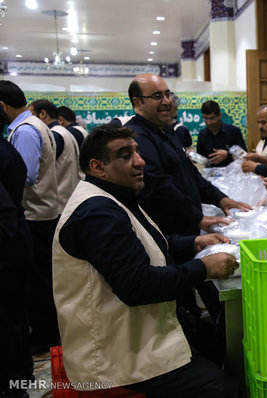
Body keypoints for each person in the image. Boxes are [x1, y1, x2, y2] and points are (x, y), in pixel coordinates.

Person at [52, 125, 239, 397]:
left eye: (137, 152)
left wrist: (194, 242)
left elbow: (143, 247)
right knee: (226, 390)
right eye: (125, 156)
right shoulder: (97, 213)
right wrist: (204, 268)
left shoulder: (116, 197)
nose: (140, 161)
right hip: (119, 356)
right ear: (98, 166)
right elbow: (137, 284)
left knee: (218, 344)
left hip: (139, 333)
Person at [124, 73, 250, 237]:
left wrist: (221, 199)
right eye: (157, 96)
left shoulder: (167, 132)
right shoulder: (137, 137)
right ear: (138, 102)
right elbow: (158, 187)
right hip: (166, 235)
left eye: (167, 94)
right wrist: (198, 217)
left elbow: (191, 174)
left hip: (187, 230)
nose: (167, 101)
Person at [0, 80, 60, 354]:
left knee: (37, 284)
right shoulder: (36, 124)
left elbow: (26, 175)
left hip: (35, 216)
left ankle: (45, 334)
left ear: (2, 106)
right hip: (44, 212)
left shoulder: (24, 131)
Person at [0, 105, 34, 398]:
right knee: (16, 318)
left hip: (7, 250)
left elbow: (4, 211)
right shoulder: (8, 150)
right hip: (16, 244)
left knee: (8, 321)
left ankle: (15, 386)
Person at [30, 99, 81, 212]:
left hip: (58, 202)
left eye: (31, 115)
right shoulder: (65, 132)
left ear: (43, 114)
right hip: (67, 199)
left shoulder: (54, 135)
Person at [196, 100, 247, 167]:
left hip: (232, 175)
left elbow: (244, 156)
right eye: (205, 119)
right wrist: (192, 156)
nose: (209, 122)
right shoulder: (202, 134)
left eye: (212, 118)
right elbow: (201, 158)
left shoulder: (234, 131)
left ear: (219, 115)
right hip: (210, 175)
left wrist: (227, 155)